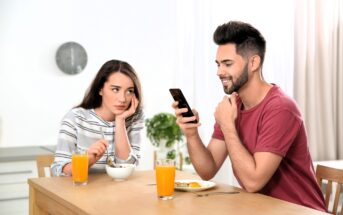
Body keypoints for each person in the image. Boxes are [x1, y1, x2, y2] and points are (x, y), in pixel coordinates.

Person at [172, 21, 326, 212]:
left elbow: (253, 182)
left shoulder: (281, 108)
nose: (219, 72)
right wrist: (191, 134)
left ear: (253, 62)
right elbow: (207, 170)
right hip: (262, 209)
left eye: (227, 64)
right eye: (218, 64)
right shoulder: (233, 106)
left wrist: (228, 126)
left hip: (300, 211)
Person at [52, 59, 144, 176]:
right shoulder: (75, 118)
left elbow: (129, 166)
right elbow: (59, 169)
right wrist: (89, 159)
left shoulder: (134, 117)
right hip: (82, 191)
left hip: (120, 191)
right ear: (100, 89)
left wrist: (120, 120)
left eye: (129, 91)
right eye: (115, 89)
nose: (122, 99)